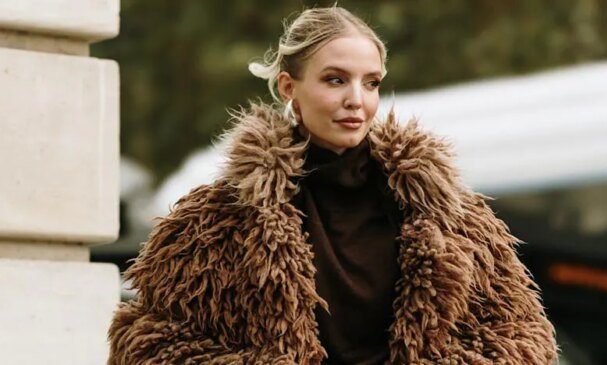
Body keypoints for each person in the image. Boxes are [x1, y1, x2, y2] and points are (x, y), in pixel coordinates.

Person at [108, 6, 556, 364]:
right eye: (335, 79)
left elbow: (522, 337)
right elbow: (148, 345)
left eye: (371, 82)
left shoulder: (446, 213)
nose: (356, 100)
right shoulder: (217, 219)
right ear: (288, 87)